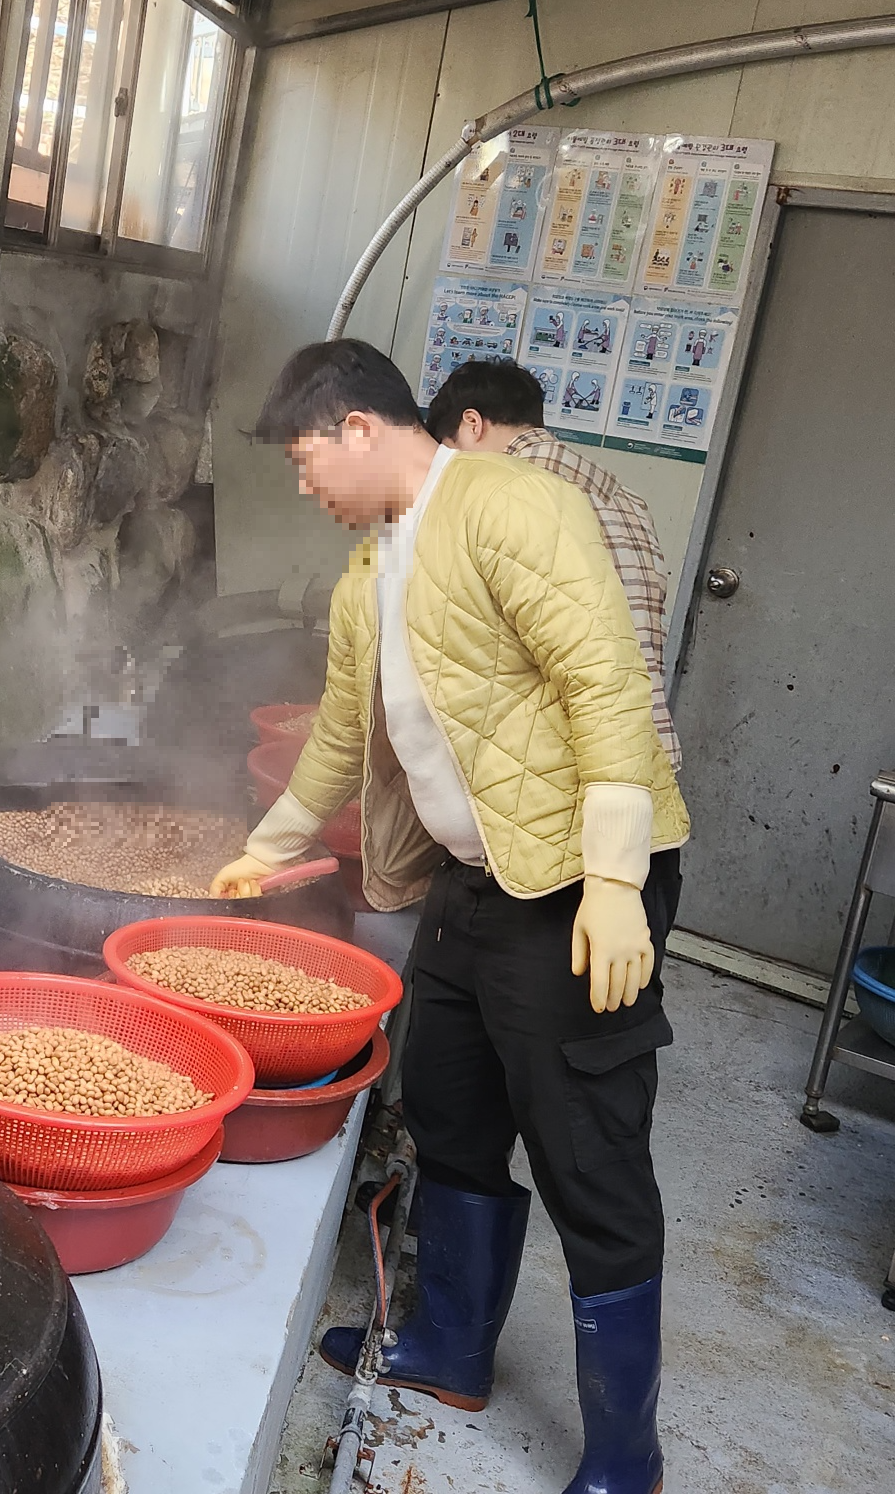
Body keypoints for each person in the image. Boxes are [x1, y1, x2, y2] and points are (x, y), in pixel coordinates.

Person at [211, 341, 688, 1494]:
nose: (300, 484)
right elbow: (337, 736)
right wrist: (262, 849)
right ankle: (448, 1346)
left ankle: (626, 1454)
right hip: (474, 879)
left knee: (586, 1151)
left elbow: (604, 680)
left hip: (576, 884)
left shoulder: (511, 504)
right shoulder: (369, 568)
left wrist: (617, 880)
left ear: (357, 425)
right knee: (449, 1103)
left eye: (301, 456)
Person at [424, 358, 681, 770]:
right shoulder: (628, 501)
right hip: (646, 751)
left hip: (561, 767)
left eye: (449, 454)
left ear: (472, 424)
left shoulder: (500, 492)